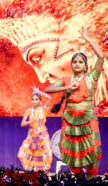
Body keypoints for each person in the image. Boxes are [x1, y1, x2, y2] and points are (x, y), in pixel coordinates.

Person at [45, 27, 105, 177]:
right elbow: (48, 89)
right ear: (72, 65)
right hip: (70, 119)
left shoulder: (91, 78)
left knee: (94, 149)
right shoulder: (66, 80)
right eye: (75, 62)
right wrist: (67, 87)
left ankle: (91, 178)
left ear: (85, 66)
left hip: (88, 119)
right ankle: (77, 178)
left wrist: (87, 38)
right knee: (70, 153)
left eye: (81, 62)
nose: (77, 64)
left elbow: (101, 57)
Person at [17, 87, 52, 172]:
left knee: (48, 155)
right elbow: (22, 124)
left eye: (36, 99)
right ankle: (30, 173)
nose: (34, 101)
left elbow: (49, 98)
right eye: (33, 99)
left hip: (42, 136)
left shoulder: (44, 109)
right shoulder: (29, 111)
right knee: (21, 154)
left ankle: (44, 172)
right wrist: (31, 121)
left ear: (40, 101)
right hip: (31, 136)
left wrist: (39, 91)